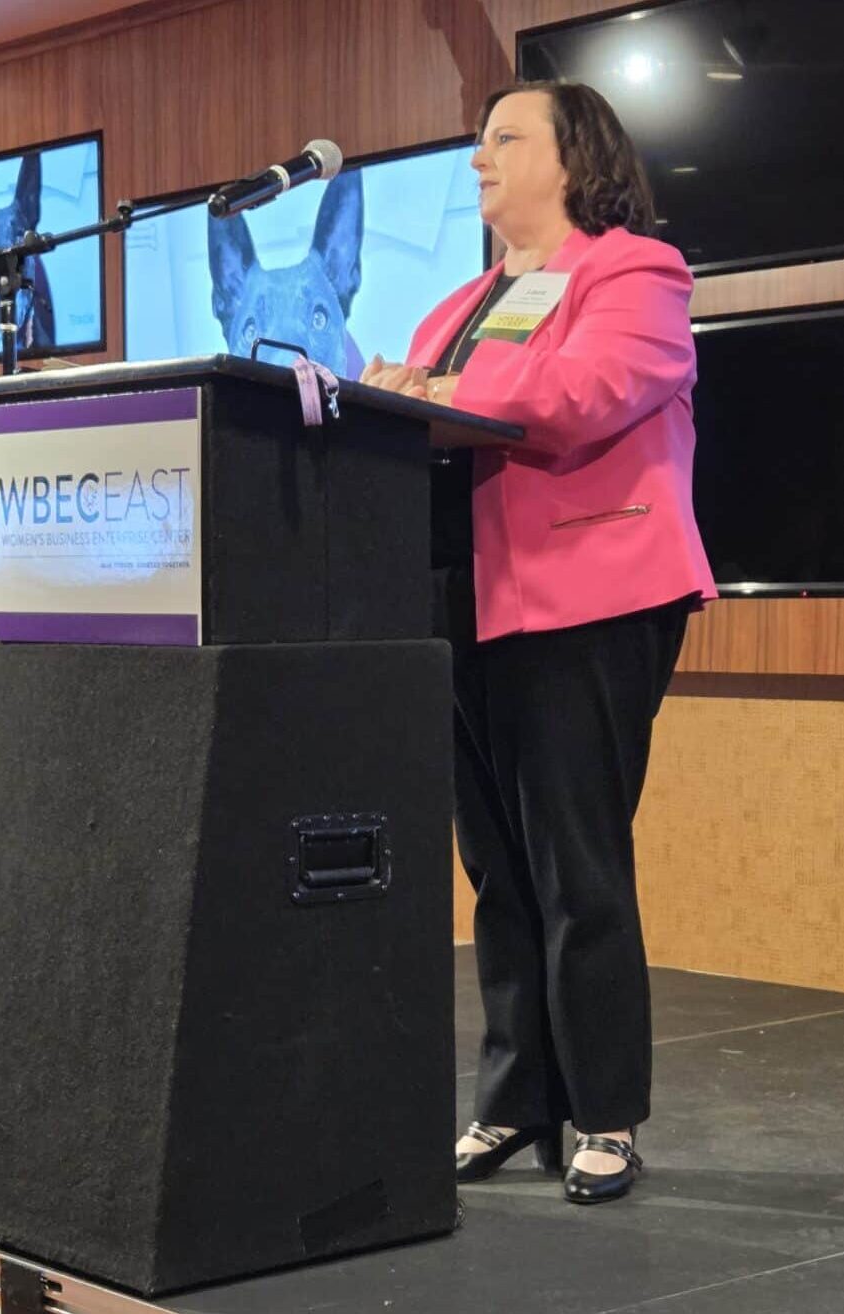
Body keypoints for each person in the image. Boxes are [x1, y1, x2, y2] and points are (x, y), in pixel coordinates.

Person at [361, 81, 717, 1204]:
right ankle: (516, 1101)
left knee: (579, 867)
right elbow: (430, 405)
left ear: (575, 159)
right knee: (497, 869)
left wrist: (443, 390)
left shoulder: (635, 272)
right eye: (477, 140)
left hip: (589, 597)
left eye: (504, 139)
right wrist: (385, 394)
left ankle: (605, 1114)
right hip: (459, 600)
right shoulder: (455, 304)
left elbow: (588, 390)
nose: (478, 159)